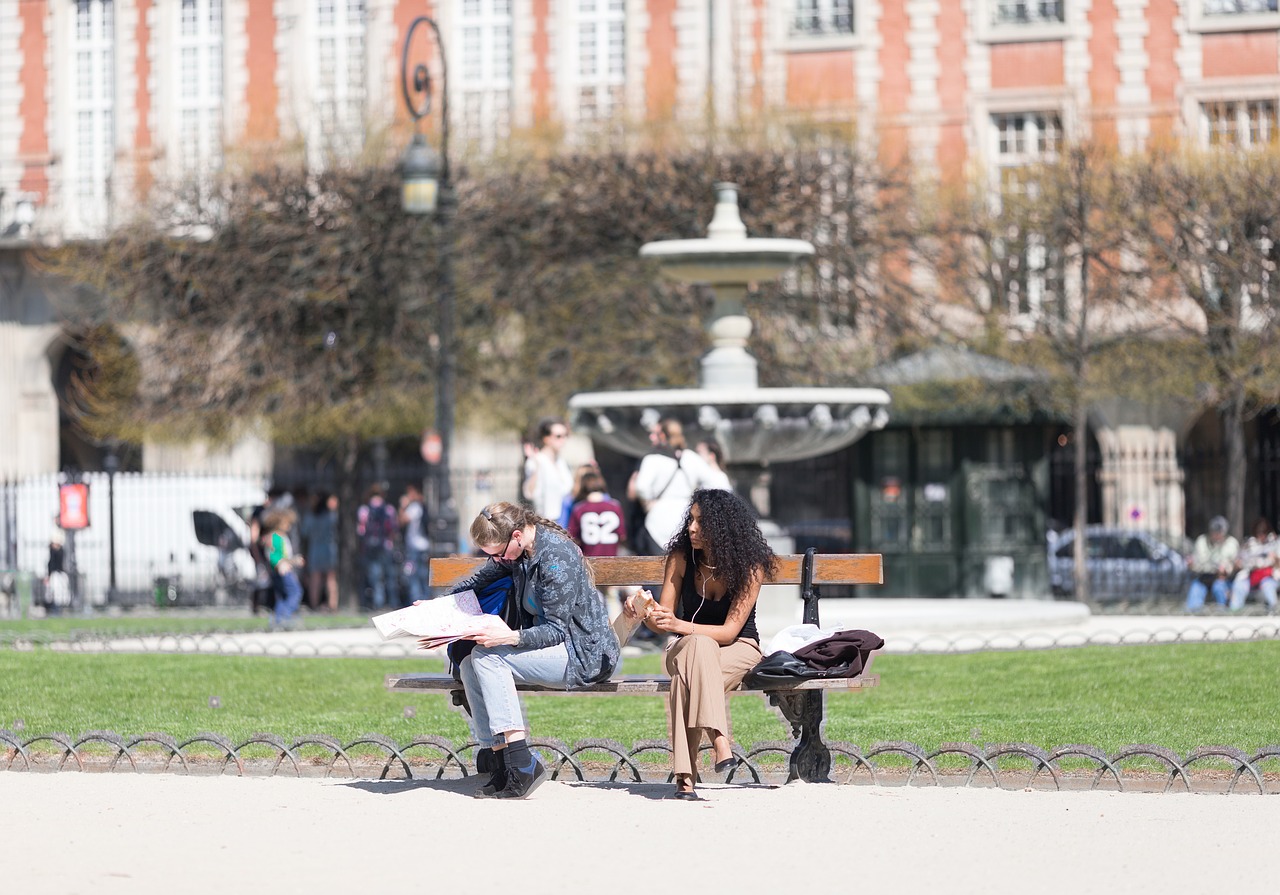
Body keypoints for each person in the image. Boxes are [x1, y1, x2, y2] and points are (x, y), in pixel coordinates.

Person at [431, 501, 620, 800]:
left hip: (582, 654)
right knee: (470, 662)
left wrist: (510, 636)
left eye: (498, 552)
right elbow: (475, 581)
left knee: (488, 657)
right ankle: (500, 762)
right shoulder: (515, 552)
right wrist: (433, 610)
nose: (495, 560)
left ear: (517, 535)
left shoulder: (556, 556)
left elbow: (558, 631)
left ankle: (521, 763)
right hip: (549, 648)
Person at [622, 488, 777, 801]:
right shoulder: (681, 558)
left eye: (701, 523)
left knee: (686, 680)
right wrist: (643, 611)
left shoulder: (751, 566)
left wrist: (681, 626)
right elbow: (662, 620)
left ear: (723, 528)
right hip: (684, 649)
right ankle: (720, 740)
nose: (691, 528)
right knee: (698, 647)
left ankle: (685, 778)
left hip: (739, 648)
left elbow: (731, 631)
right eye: (691, 520)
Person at [628, 417, 716, 554]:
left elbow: (641, 487)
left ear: (662, 435)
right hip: (686, 516)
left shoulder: (652, 459)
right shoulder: (691, 457)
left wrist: (649, 502)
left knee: (658, 569)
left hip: (659, 517)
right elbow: (716, 482)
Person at [522, 417, 574, 521]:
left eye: (565, 435)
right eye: (558, 436)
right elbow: (529, 493)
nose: (563, 440)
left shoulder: (562, 462)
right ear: (546, 438)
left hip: (565, 521)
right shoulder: (536, 461)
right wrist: (535, 469)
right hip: (547, 523)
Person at [357, 485, 400, 610]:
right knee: (390, 575)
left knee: (375, 577)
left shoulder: (364, 510)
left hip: (370, 546)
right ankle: (393, 602)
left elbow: (361, 530)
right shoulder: (389, 509)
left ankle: (378, 603)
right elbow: (393, 529)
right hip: (386, 545)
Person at [262, 508, 305, 630]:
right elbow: (273, 555)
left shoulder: (279, 537)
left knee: (283, 596)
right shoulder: (275, 537)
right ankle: (284, 616)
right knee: (295, 592)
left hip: (283, 569)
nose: (289, 526)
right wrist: (285, 563)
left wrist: (292, 560)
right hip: (282, 571)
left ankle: (277, 619)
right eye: (287, 523)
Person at [1185, 515, 1239, 611]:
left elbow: (1234, 565)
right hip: (1203, 578)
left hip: (1222, 579)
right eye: (1214, 532)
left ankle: (1222, 614)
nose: (1216, 535)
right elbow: (1196, 563)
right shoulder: (1201, 541)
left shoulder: (1231, 543)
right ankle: (1193, 616)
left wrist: (1226, 570)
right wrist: (1191, 565)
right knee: (1195, 589)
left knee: (1219, 587)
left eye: (1219, 533)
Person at [1229, 517, 1278, 612]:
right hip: (1250, 575)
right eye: (1258, 533)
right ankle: (1234, 612)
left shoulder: (1275, 543)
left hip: (1269, 577)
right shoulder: (1249, 544)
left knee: (1268, 586)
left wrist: (1274, 559)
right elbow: (1241, 562)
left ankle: (1275, 612)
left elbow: (1277, 563)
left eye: (1263, 532)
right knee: (1239, 585)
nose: (1261, 535)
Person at [302, 492, 339, 613]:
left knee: (315, 579)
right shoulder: (332, 516)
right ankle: (332, 605)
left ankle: (314, 605)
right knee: (330, 579)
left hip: (315, 550)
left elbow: (304, 532)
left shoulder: (310, 516)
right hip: (329, 549)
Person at [399, 484, 431, 603]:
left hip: (415, 547)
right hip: (421, 545)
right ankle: (422, 597)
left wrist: (402, 506)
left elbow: (402, 520)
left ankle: (417, 598)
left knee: (415, 575)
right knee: (421, 574)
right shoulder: (420, 506)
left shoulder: (415, 507)